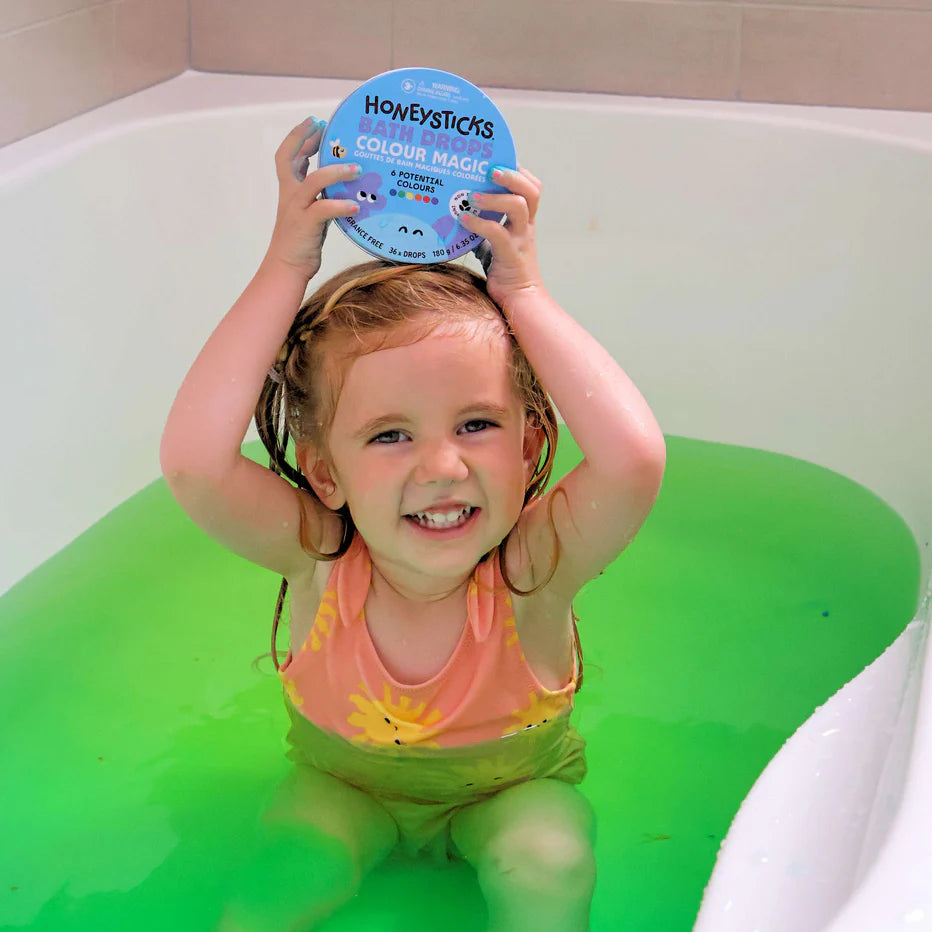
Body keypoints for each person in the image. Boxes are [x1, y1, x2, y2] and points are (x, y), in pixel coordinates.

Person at [160, 116, 666, 932]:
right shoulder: (319, 558)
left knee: (549, 856)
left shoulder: (533, 571)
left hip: (511, 791)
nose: (442, 467)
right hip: (344, 789)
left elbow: (634, 460)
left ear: (529, 444)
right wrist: (287, 264)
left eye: (477, 424)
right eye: (390, 436)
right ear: (327, 473)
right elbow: (194, 463)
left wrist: (525, 296)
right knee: (291, 870)